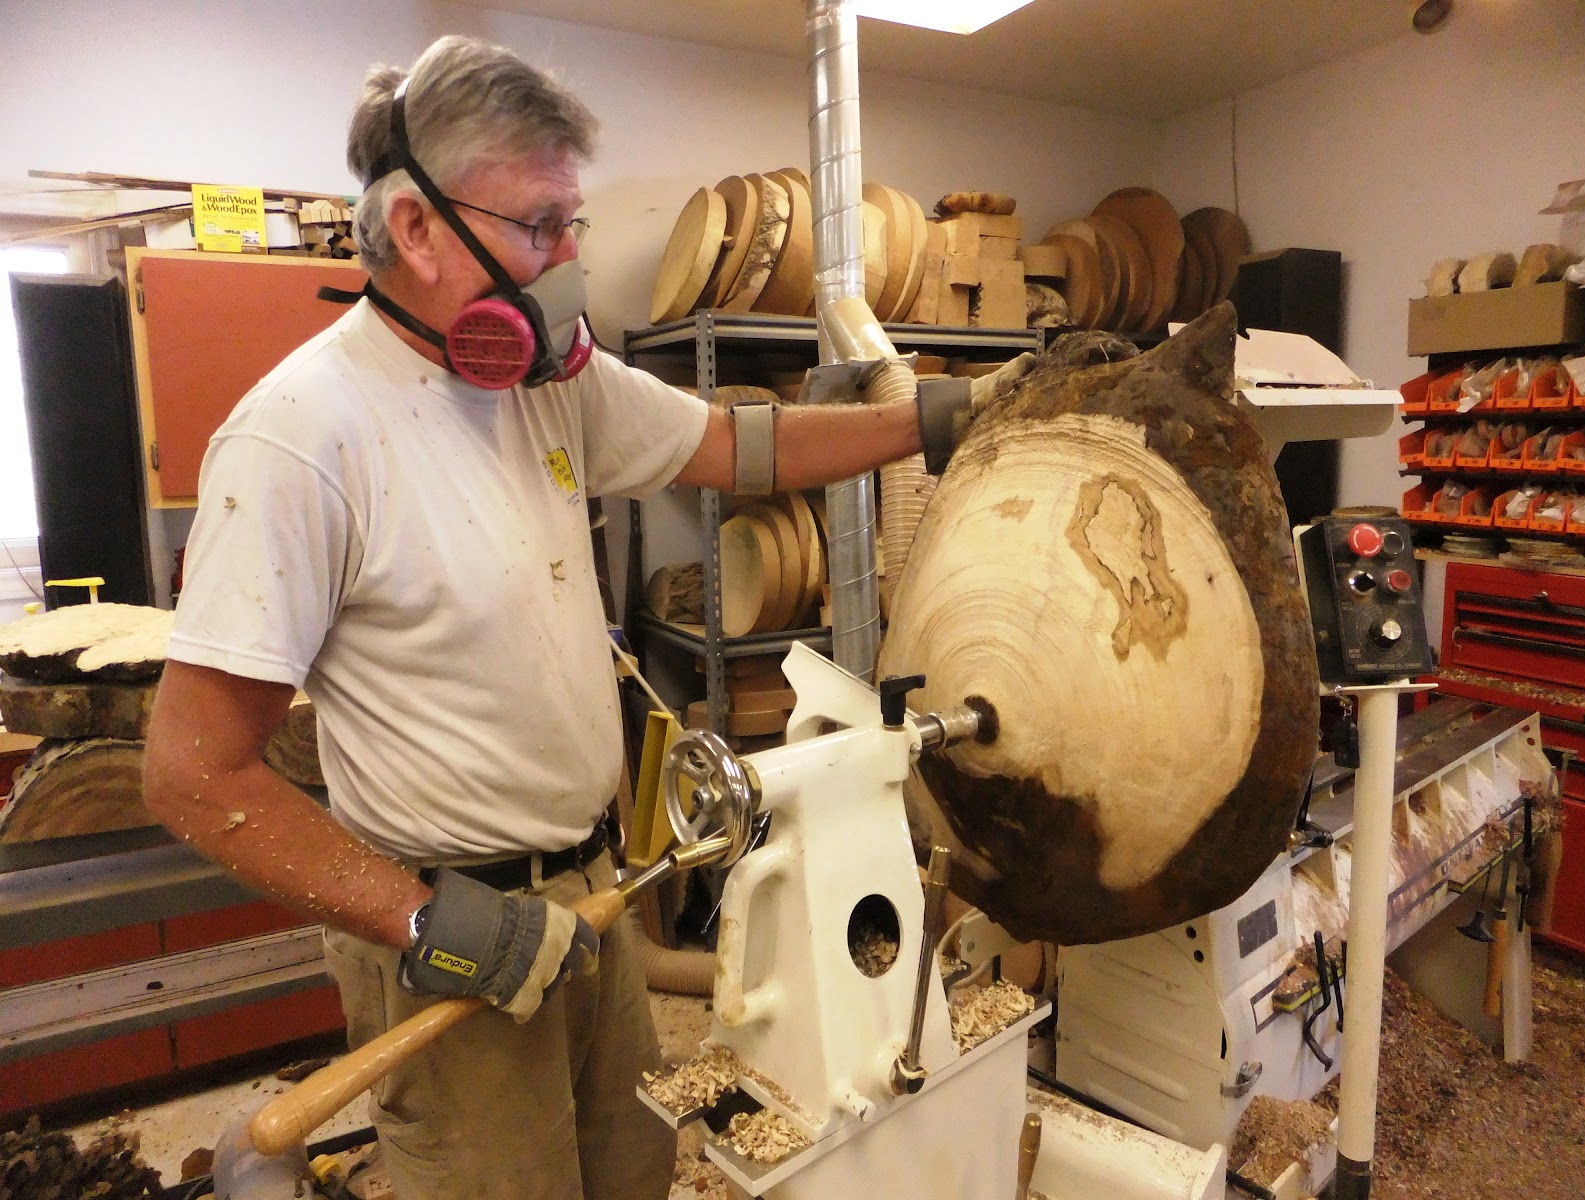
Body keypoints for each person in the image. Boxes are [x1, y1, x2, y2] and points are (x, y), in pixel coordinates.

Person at [143, 33, 1030, 1200]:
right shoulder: (305, 435)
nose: (568, 259)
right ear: (415, 228)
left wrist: (936, 418)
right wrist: (423, 923)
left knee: (628, 1167)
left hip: (594, 892)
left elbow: (729, 444)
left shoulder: (541, 383)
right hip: (447, 924)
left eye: (575, 224)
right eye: (537, 227)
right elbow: (191, 774)